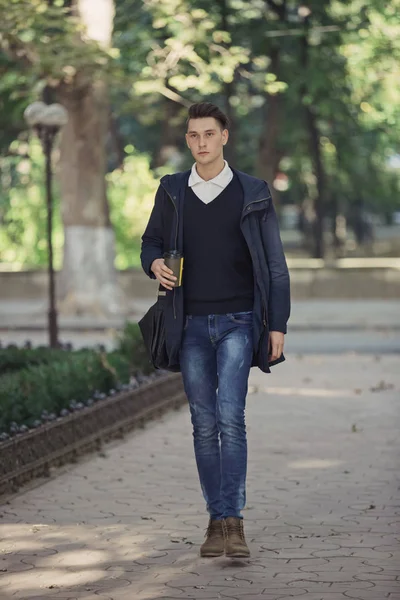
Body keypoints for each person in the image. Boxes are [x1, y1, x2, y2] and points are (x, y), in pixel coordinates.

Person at [141, 102, 290, 558]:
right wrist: (154, 264)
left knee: (231, 418)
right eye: (193, 136)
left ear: (224, 137)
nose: (200, 143)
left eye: (209, 134)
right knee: (204, 424)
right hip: (187, 324)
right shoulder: (172, 191)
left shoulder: (253, 192)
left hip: (239, 321)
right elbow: (150, 242)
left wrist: (278, 324)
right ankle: (214, 519)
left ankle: (235, 522)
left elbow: (275, 266)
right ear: (188, 140)